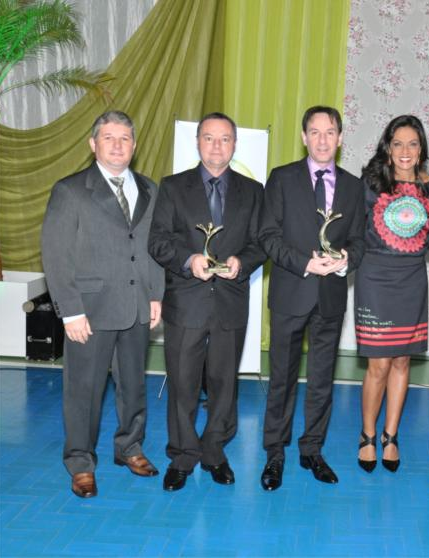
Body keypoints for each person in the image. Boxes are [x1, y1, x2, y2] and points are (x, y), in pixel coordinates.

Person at [41, 110, 164, 498]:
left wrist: (156, 294)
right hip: (89, 312)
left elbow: (154, 248)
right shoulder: (71, 190)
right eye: (108, 138)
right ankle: (80, 463)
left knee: (134, 386)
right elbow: (55, 254)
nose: (117, 145)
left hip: (137, 307)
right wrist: (71, 310)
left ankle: (130, 447)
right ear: (93, 144)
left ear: (134, 145)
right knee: (84, 391)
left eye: (125, 138)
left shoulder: (149, 189)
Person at [148, 112, 266, 491]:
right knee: (182, 383)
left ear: (235, 145)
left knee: (223, 383)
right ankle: (183, 454)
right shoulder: (172, 187)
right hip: (186, 301)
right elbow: (158, 240)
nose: (217, 146)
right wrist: (189, 260)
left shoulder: (254, 191)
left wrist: (242, 262)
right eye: (209, 138)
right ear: (197, 142)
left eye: (225, 139)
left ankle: (214, 450)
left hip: (231, 300)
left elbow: (262, 242)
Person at [259, 106, 365, 491]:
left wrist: (345, 260)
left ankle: (312, 449)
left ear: (340, 137)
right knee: (281, 379)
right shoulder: (282, 178)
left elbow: (360, 240)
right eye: (315, 132)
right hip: (291, 290)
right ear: (304, 137)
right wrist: (305, 262)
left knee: (322, 379)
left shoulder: (354, 186)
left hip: (331, 296)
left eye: (330, 132)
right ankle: (275, 453)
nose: (322, 139)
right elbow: (268, 236)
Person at [354, 115, 429, 473]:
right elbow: (352, 230)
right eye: (398, 143)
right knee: (379, 364)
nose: (405, 151)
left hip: (412, 280)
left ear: (421, 150)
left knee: (402, 361)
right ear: (387, 148)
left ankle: (391, 436)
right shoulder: (369, 184)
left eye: (412, 144)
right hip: (374, 279)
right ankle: (368, 435)